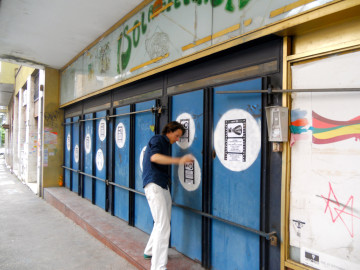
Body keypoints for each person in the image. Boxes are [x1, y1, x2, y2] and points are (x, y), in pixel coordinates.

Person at [142, 121, 193, 270]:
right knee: (162, 225)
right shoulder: (157, 139)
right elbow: (155, 158)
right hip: (154, 184)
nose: (177, 139)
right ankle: (158, 267)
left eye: (180, 137)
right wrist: (179, 161)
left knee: (162, 223)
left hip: (163, 186)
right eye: (177, 135)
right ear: (169, 131)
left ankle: (149, 251)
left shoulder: (168, 146)